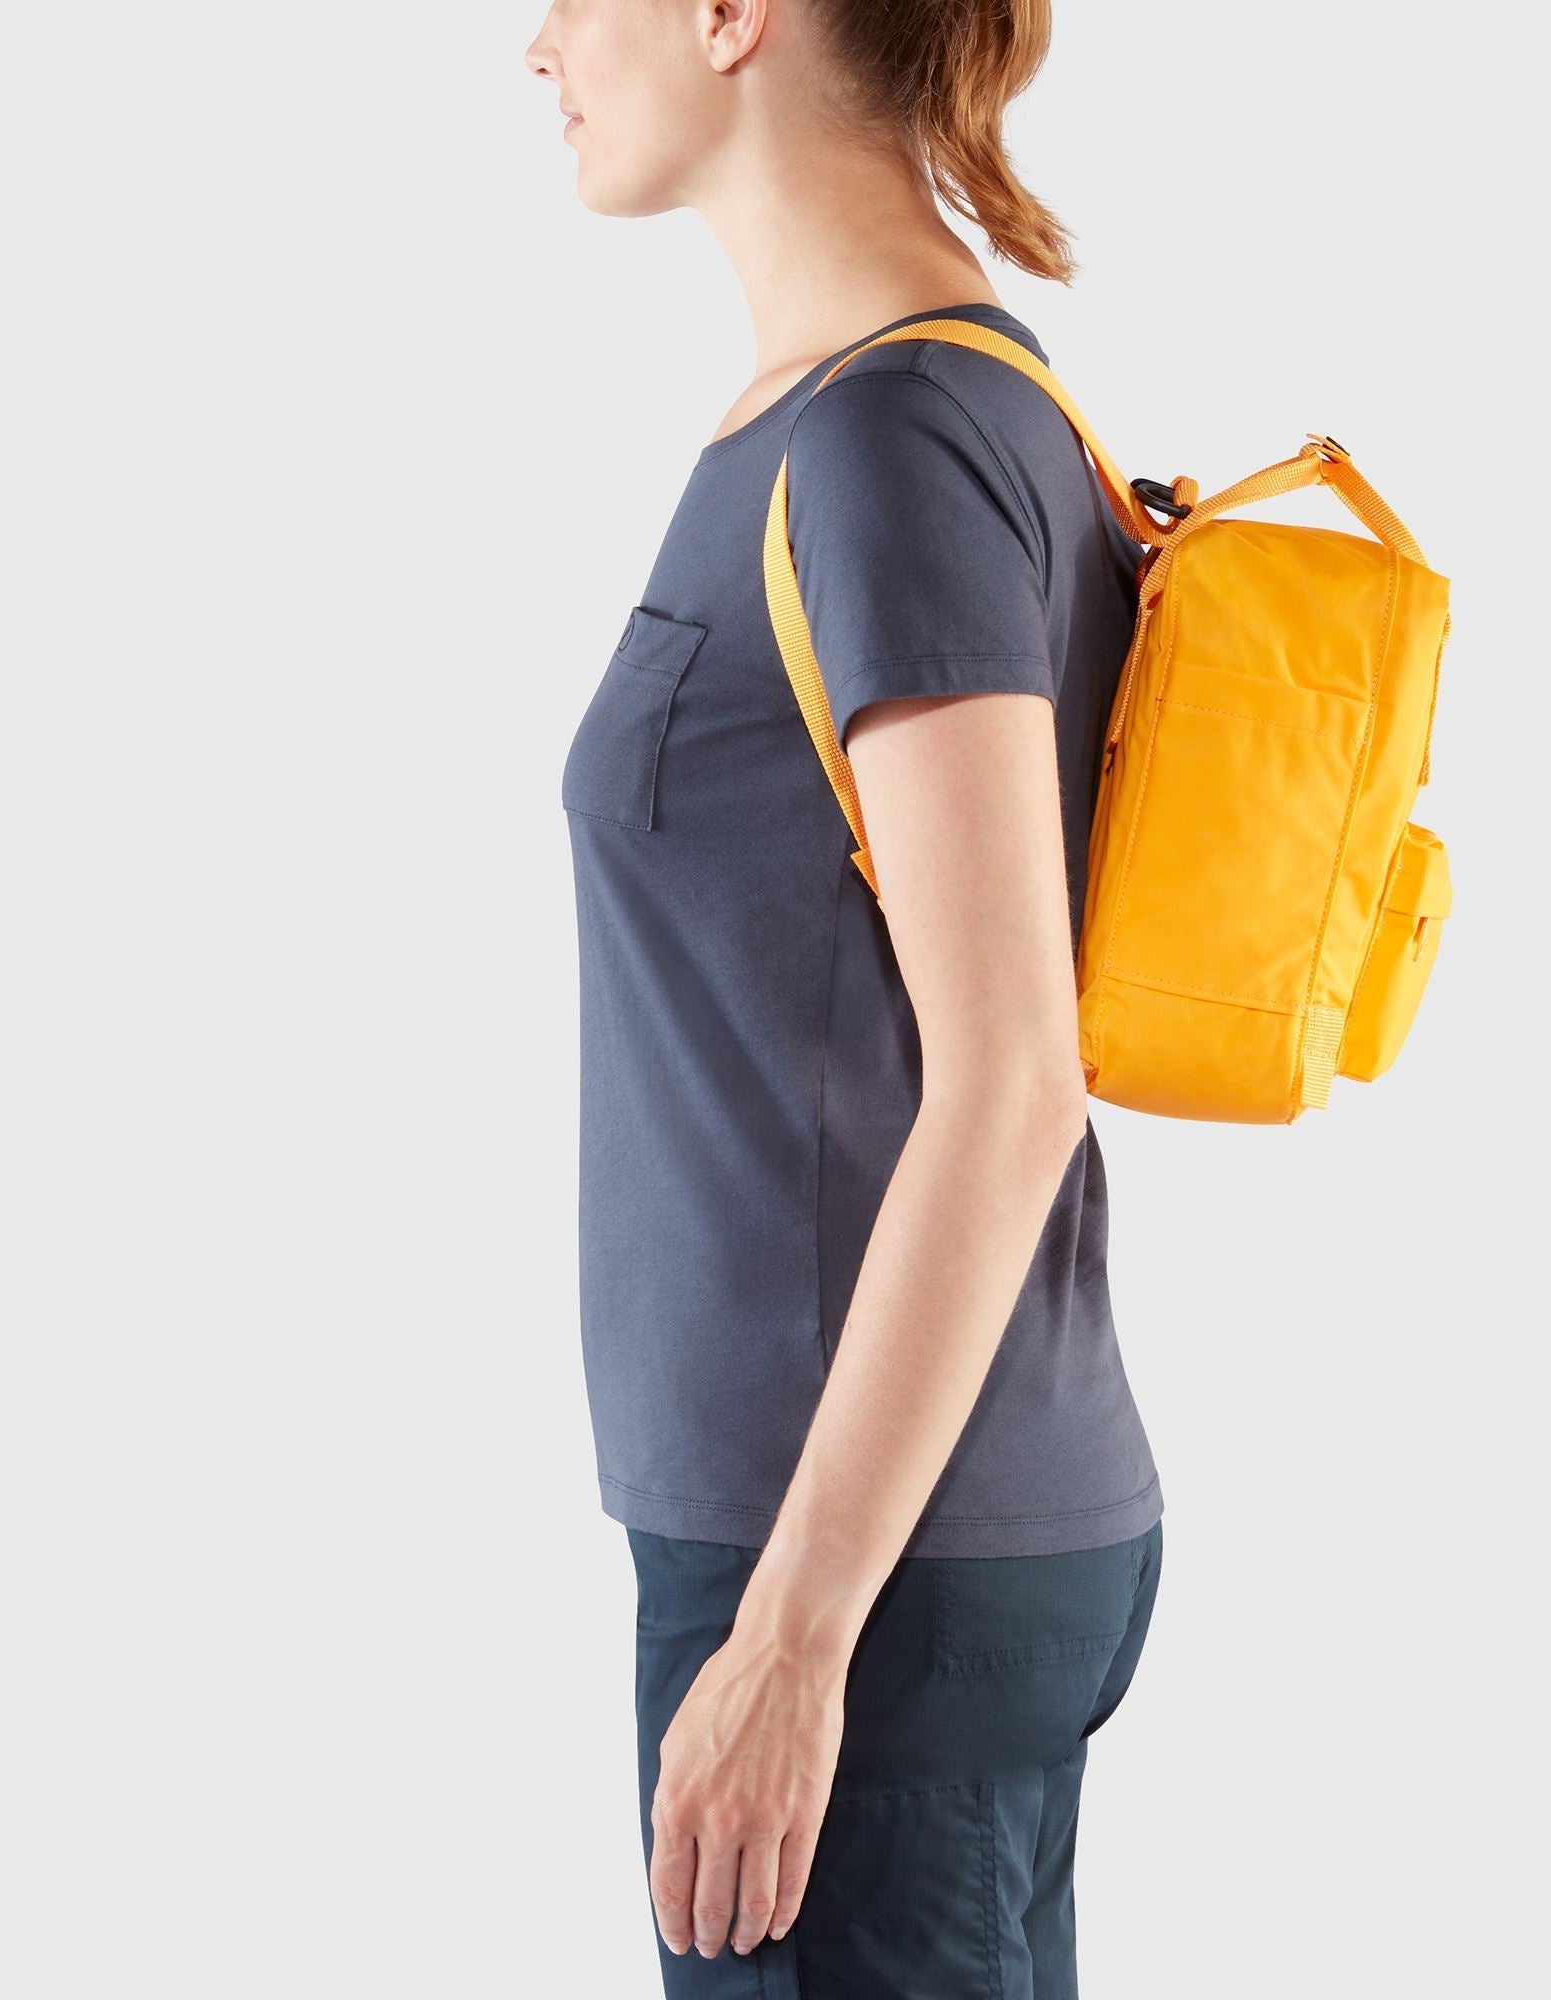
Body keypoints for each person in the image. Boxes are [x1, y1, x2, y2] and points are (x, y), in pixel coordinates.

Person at [525, 3, 1163, 1991]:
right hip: (879, 1543)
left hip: (857, 1571)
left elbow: (1013, 1081)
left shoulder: (892, 438)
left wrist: (795, 1636)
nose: (535, 46)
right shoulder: (872, 411)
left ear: (734, 13)